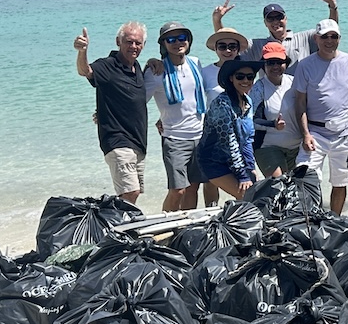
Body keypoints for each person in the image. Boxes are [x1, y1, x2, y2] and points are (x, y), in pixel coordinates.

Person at [291, 18, 348, 214]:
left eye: (334, 36)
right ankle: (312, 218)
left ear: (339, 39)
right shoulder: (305, 65)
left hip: (345, 132)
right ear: (317, 38)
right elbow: (300, 103)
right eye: (325, 37)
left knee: (340, 182)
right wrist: (306, 134)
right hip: (316, 133)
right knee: (305, 176)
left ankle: (334, 220)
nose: (329, 41)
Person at [73, 22, 150, 206]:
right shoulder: (108, 66)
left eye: (138, 43)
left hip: (137, 142)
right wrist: (82, 51)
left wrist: (154, 63)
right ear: (118, 41)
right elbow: (85, 71)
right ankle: (115, 227)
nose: (133, 47)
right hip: (117, 140)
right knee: (130, 191)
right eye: (128, 42)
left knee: (132, 195)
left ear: (143, 45)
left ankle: (120, 227)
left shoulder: (137, 67)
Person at [142, 21, 207, 211]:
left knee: (193, 187)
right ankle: (166, 223)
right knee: (178, 189)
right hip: (175, 138)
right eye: (171, 39)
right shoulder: (156, 71)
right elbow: (137, 101)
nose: (178, 42)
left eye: (182, 38)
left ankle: (187, 229)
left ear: (189, 40)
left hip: (199, 135)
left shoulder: (195, 62)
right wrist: (106, 113)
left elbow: (193, 99)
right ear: (163, 43)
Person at [212, 0, 339, 66]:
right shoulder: (257, 45)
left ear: (286, 18)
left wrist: (332, 7)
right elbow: (227, 44)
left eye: (279, 17)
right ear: (265, 23)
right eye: (270, 19)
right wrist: (217, 20)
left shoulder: (305, 38)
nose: (275, 22)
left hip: (302, 97)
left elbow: (330, 32)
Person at [196, 57, 261, 200]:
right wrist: (243, 175)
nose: (246, 81)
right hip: (212, 161)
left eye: (250, 77)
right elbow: (229, 142)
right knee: (247, 197)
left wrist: (250, 167)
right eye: (240, 76)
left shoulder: (248, 101)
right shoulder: (222, 105)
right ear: (231, 78)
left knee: (258, 194)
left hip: (234, 160)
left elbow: (248, 139)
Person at [249, 42, 298, 179]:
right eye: (270, 63)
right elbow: (252, 120)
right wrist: (273, 124)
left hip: (297, 147)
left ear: (286, 63)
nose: (275, 66)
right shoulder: (258, 88)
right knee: (279, 185)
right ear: (263, 65)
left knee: (296, 190)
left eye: (279, 62)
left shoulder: (295, 83)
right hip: (268, 146)